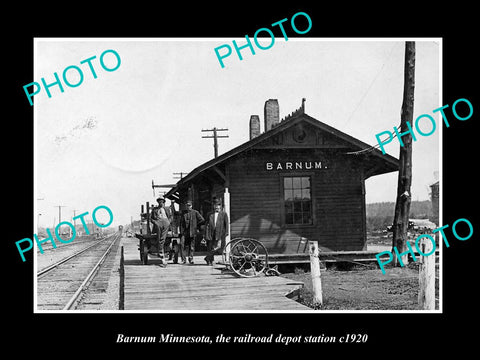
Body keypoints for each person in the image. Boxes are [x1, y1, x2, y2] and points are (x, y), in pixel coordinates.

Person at [204, 199, 229, 265]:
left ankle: (207, 257)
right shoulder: (209, 214)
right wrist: (205, 233)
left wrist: (226, 232)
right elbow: (206, 224)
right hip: (210, 232)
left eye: (218, 205)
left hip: (219, 233)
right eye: (215, 205)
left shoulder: (223, 214)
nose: (217, 207)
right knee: (210, 247)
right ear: (213, 206)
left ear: (220, 206)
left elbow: (226, 224)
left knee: (218, 246)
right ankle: (210, 261)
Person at [180, 200, 205, 264]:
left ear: (191, 206)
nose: (188, 207)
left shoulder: (195, 212)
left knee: (191, 246)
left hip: (192, 232)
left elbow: (202, 220)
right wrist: (181, 231)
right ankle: (183, 260)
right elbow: (181, 222)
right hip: (184, 232)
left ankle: (191, 259)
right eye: (187, 205)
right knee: (182, 245)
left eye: (189, 205)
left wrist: (196, 225)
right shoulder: (183, 213)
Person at [150, 197, 170, 265]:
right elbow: (151, 218)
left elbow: (171, 216)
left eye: (162, 202)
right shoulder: (155, 210)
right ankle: (160, 249)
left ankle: (161, 250)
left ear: (164, 202)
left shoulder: (167, 209)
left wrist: (169, 222)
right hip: (158, 221)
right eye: (159, 202)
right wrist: (155, 222)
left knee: (163, 236)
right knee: (159, 232)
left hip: (165, 221)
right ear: (158, 202)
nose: (161, 203)